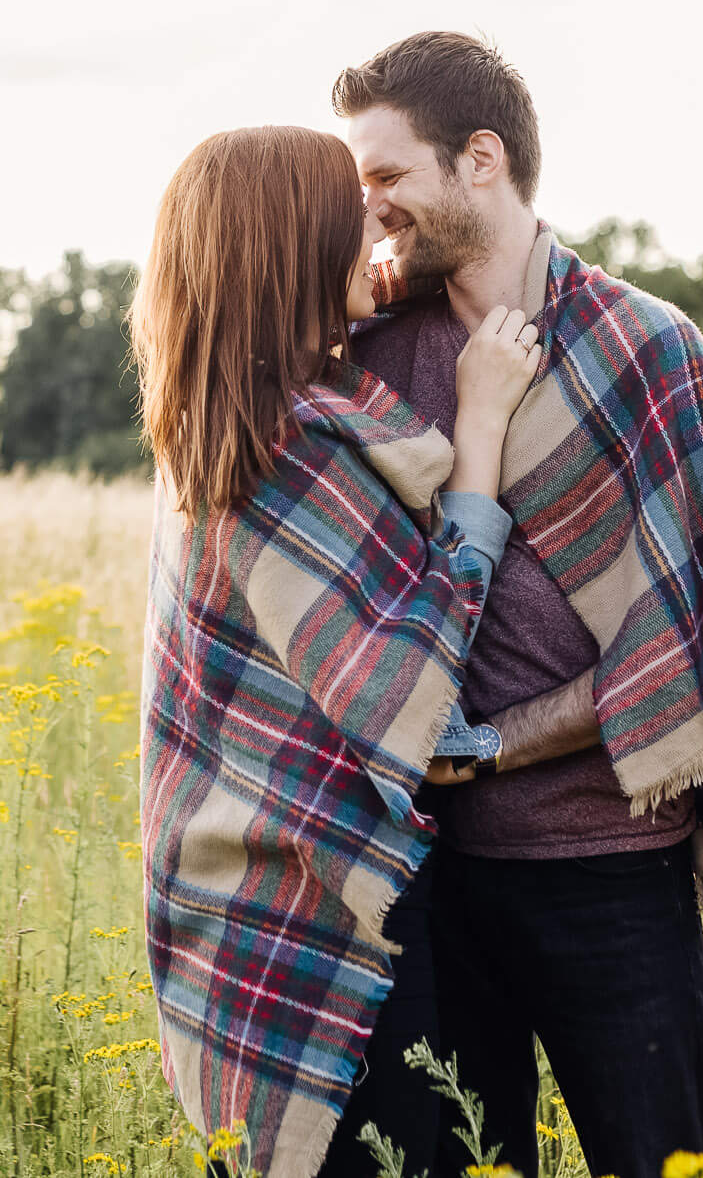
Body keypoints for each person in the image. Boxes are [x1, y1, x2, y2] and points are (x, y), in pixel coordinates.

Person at [336, 31, 703, 1178]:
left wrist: (489, 749)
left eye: (385, 177)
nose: (368, 210)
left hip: (608, 873)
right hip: (429, 885)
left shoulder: (648, 349)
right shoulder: (368, 355)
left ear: (479, 159)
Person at [131, 125, 539, 1178]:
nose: (382, 235)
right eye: (358, 223)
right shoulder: (291, 449)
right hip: (321, 912)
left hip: (256, 907)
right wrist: (483, 427)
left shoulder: (233, 428)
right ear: (294, 251)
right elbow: (413, 681)